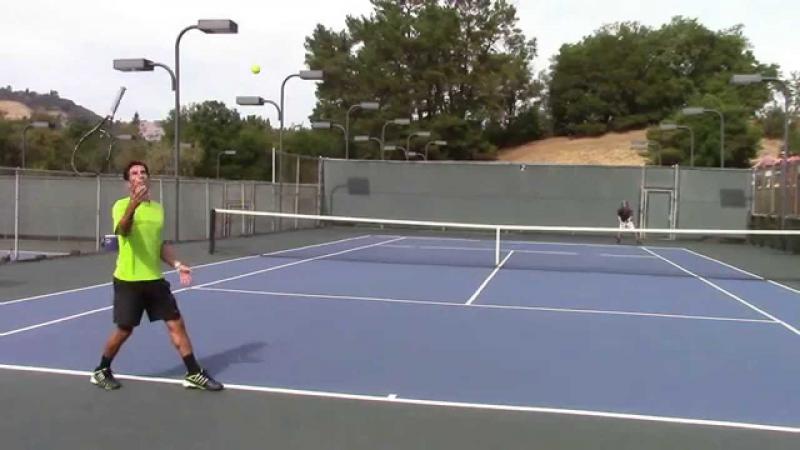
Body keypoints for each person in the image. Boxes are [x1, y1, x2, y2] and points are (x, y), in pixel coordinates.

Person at [90, 160, 223, 391]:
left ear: (148, 178)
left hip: (155, 280)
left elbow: (158, 244)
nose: (139, 176)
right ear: (127, 182)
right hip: (128, 280)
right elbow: (122, 230)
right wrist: (133, 204)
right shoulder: (120, 206)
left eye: (143, 172)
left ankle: (193, 373)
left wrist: (177, 263)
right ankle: (101, 370)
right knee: (125, 329)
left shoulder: (157, 209)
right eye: (134, 173)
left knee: (176, 323)